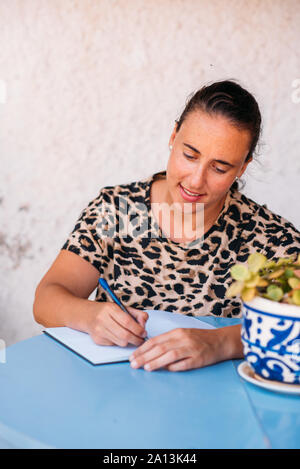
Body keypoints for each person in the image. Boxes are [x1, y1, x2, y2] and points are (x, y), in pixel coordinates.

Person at [33, 80, 300, 372]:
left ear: (243, 167)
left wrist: (222, 342)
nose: (196, 180)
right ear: (173, 136)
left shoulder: (271, 239)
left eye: (220, 167)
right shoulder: (116, 210)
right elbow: (46, 299)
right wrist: (90, 316)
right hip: (116, 400)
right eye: (190, 155)